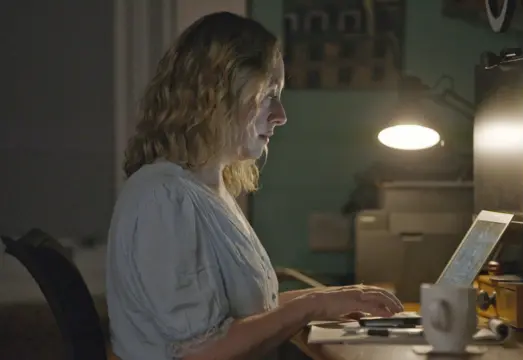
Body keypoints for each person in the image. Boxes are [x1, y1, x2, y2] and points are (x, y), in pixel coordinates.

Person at [106, 12, 403, 360]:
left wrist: (334, 299)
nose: (281, 115)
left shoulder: (203, 190)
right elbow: (205, 351)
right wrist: (313, 304)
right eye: (268, 95)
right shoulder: (164, 198)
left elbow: (246, 317)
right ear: (216, 96)